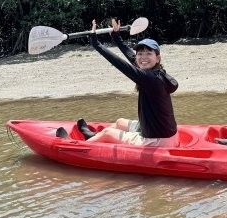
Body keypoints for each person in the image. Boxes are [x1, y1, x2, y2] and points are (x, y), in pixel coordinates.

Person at [60, 18, 179, 146]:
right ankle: (92, 136)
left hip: (158, 140)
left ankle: (73, 145)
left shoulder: (151, 78)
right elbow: (133, 58)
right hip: (161, 132)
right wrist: (116, 37)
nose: (143, 57)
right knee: (119, 122)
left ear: (157, 58)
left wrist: (96, 44)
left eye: (148, 53)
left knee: (108, 133)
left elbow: (120, 64)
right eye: (140, 53)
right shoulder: (157, 72)